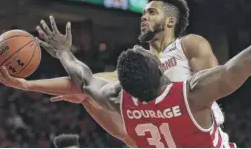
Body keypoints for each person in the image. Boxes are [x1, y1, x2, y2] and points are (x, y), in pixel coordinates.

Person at [0, 0, 227, 146]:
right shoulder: (137, 65)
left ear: (171, 21)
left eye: (152, 12)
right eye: (143, 12)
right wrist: (27, 84)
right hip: (162, 140)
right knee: (98, 106)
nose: (144, 17)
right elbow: (84, 83)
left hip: (199, 136)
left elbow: (213, 86)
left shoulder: (188, 45)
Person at [30, 19, 249, 147]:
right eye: (147, 54)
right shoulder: (191, 95)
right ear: (159, 70)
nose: (144, 49)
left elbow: (85, 80)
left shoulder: (119, 100)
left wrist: (63, 52)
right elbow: (234, 69)